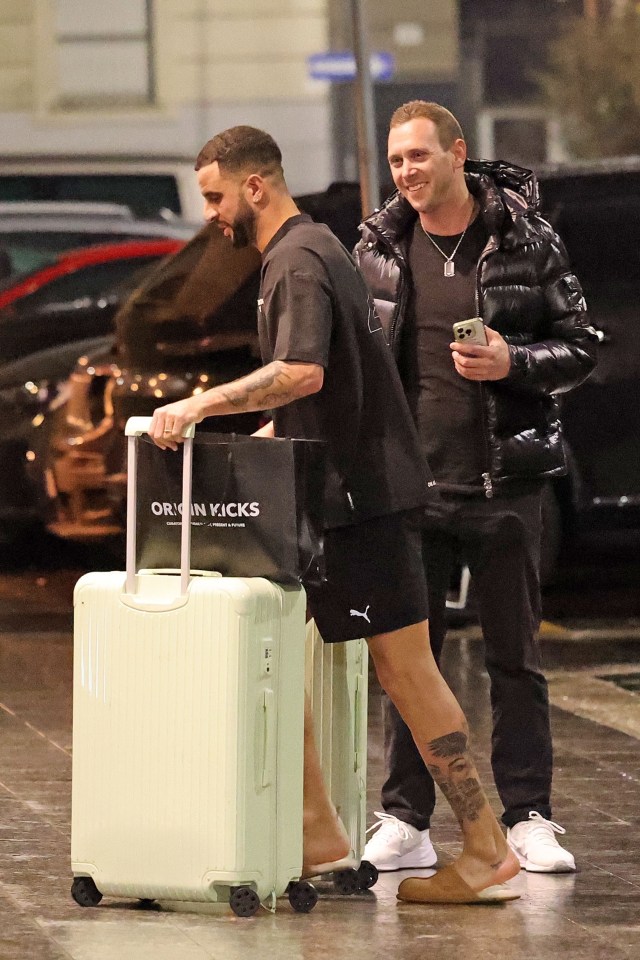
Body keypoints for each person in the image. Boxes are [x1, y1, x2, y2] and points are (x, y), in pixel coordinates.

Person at [147, 124, 521, 903]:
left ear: (255, 186)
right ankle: (318, 826)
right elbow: (335, 377)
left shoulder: (295, 259)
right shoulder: (315, 247)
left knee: (406, 671)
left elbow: (304, 370)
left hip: (362, 502)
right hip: (347, 496)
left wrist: (200, 404)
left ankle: (486, 846)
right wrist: (266, 428)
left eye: (216, 196)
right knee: (284, 643)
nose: (211, 215)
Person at [355, 101, 599, 875]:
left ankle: (528, 815)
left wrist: (514, 364)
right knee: (407, 661)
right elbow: (363, 362)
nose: (407, 173)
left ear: (458, 153)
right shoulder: (380, 247)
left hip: (503, 482)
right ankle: (406, 816)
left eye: (419, 156)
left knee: (513, 658)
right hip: (412, 487)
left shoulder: (524, 239)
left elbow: (583, 345)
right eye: (397, 161)